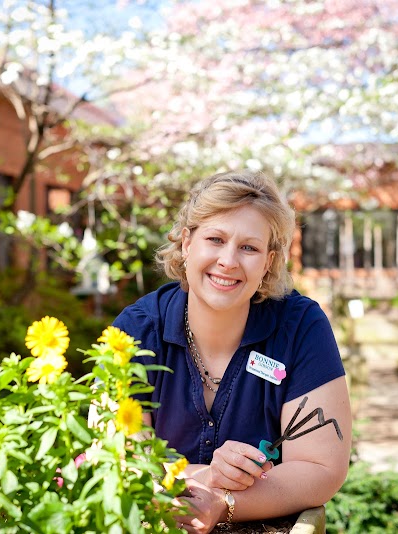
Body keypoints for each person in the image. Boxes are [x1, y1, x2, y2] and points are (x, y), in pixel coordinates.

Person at [112, 170, 352, 533]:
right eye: (215, 239)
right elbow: (118, 458)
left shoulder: (301, 327)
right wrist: (208, 475)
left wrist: (224, 503)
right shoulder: (135, 331)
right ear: (187, 243)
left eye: (249, 247)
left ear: (268, 262)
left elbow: (321, 467)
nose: (228, 260)